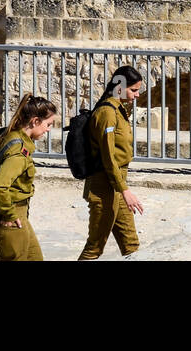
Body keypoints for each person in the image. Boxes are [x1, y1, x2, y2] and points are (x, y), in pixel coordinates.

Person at [79, 65, 146, 260]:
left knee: (131, 243)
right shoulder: (107, 113)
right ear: (119, 87)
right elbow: (108, 157)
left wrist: (122, 189)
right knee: (95, 247)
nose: (137, 95)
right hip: (103, 188)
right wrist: (125, 190)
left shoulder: (119, 110)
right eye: (133, 90)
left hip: (117, 185)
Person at [0, 94, 58, 261]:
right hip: (10, 217)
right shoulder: (19, 151)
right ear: (35, 121)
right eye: (48, 125)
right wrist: (9, 215)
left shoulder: (12, 135)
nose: (48, 130)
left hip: (16, 214)